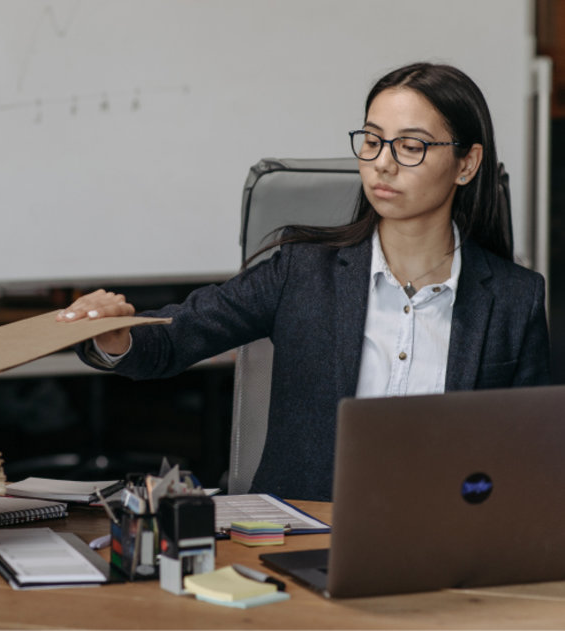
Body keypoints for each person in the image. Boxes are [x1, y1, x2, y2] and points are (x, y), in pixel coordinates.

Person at [55, 62, 551, 501]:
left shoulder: (514, 299)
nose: (382, 163)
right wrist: (114, 337)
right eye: (373, 141)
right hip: (303, 540)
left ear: (467, 164)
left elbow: (530, 459)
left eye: (410, 146)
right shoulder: (302, 272)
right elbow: (172, 338)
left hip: (443, 542)